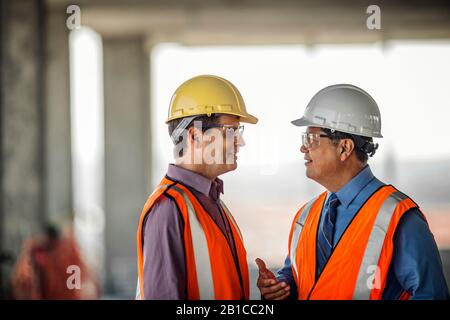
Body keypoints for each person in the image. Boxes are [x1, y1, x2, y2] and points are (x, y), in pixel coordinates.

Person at [256, 84, 450, 300]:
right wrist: (280, 288)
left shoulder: (398, 218)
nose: (303, 148)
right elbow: (297, 276)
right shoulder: (306, 215)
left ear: (344, 148)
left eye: (310, 139)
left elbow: (431, 295)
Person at [136, 75, 258, 300]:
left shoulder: (210, 200)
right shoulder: (168, 209)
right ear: (195, 135)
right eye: (230, 132)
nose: (240, 142)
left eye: (239, 132)